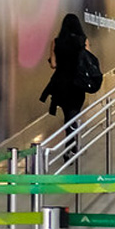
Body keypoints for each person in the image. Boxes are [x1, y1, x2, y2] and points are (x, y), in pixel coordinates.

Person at [40, 14, 89, 151]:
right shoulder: (83, 41)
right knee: (74, 112)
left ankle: (70, 141)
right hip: (77, 83)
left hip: (61, 83)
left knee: (67, 113)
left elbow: (53, 64)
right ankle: (71, 142)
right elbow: (87, 61)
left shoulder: (56, 42)